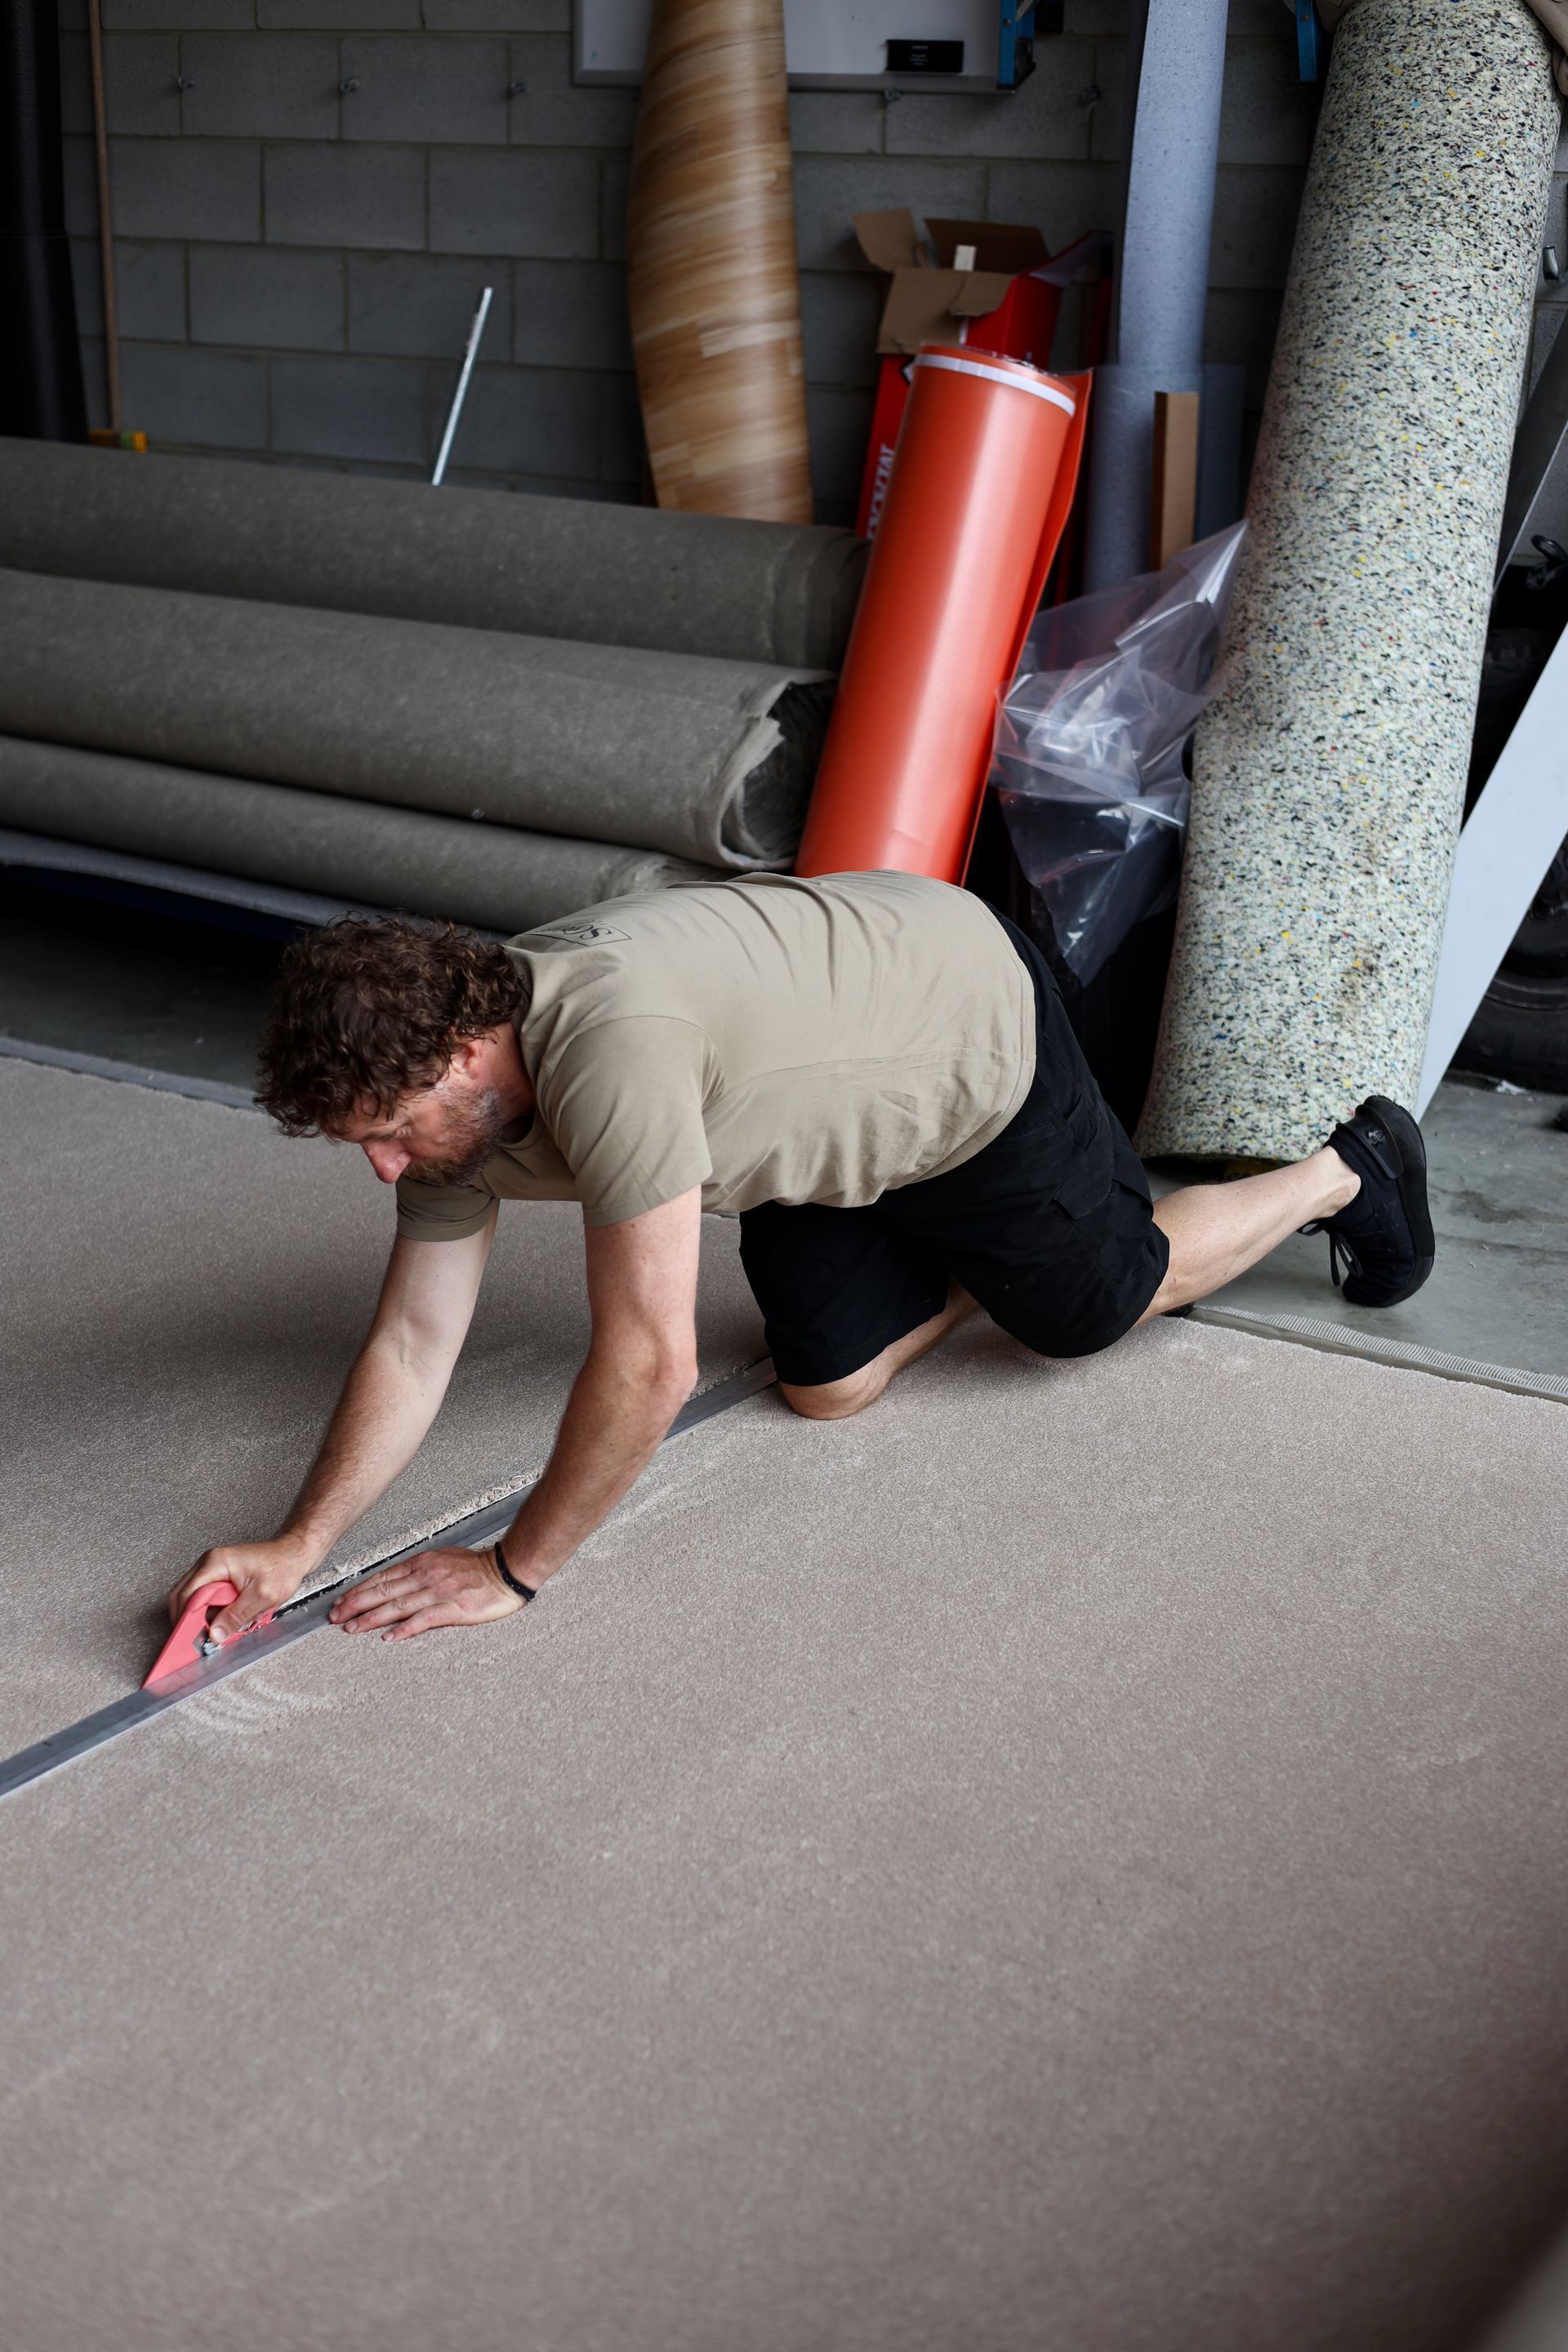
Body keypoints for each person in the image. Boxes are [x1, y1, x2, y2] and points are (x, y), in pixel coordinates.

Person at [169, 871, 1434, 1647]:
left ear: (457, 1058)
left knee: (1092, 1304)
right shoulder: (457, 1115)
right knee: (824, 1384)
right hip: (815, 1121)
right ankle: (970, 1254)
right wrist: (299, 1545)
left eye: (388, 1137)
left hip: (960, 1035)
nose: (384, 1170)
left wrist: (514, 1570)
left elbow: (651, 1365)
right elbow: (413, 1338)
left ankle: (1352, 1166)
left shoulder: (606, 1053)